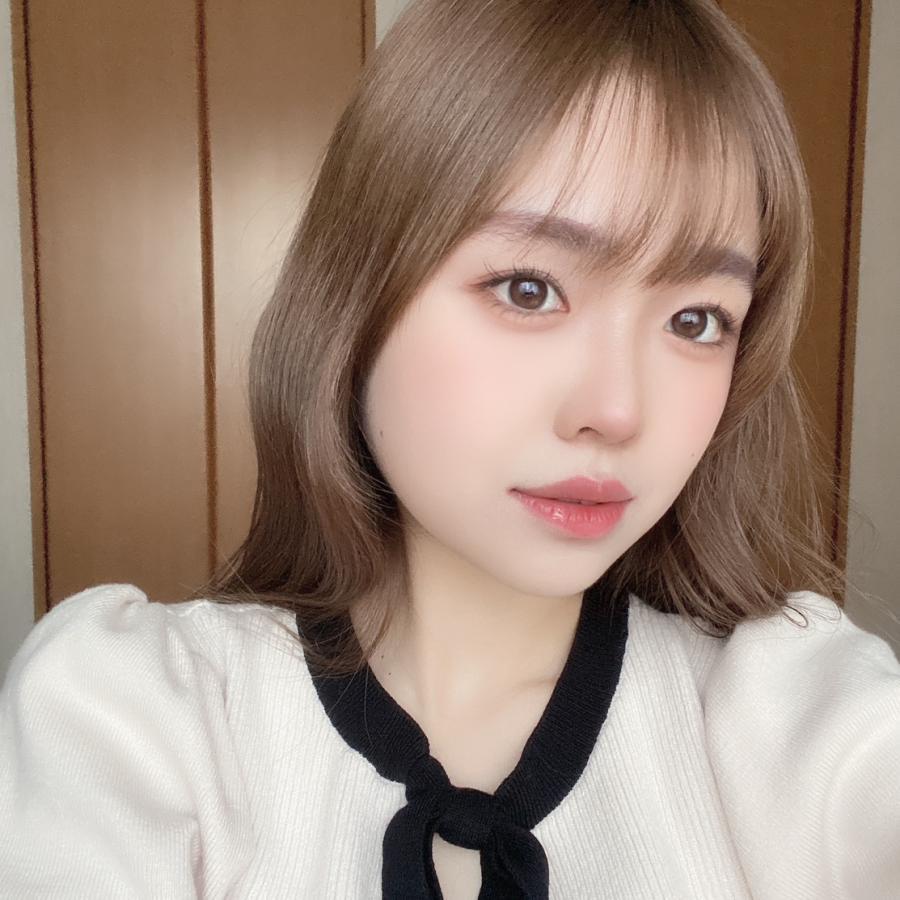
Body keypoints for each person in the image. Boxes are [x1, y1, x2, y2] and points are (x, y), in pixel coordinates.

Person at [2, 0, 898, 897]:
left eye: (696, 320)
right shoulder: (132, 718)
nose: (618, 411)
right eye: (528, 288)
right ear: (355, 298)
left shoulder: (794, 716)